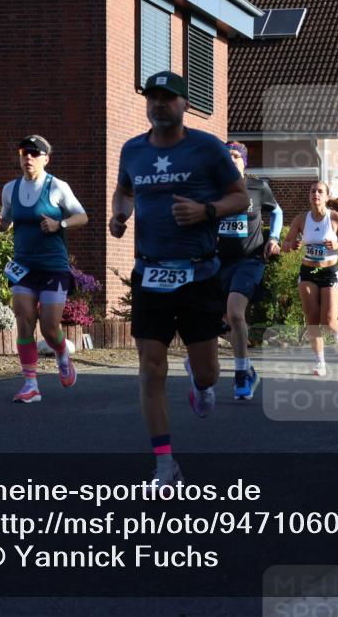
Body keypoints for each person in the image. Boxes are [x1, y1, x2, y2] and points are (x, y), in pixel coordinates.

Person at [111, 71, 249, 489]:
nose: (159, 104)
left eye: (168, 98)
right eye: (153, 97)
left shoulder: (206, 148)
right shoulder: (132, 149)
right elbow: (124, 191)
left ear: (185, 104)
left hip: (198, 273)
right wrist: (120, 215)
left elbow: (240, 196)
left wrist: (206, 211)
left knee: (208, 373)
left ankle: (200, 383)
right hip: (149, 272)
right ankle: (165, 466)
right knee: (150, 368)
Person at [0, 135, 89, 403]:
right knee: (24, 321)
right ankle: (30, 385)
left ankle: (62, 353)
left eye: (34, 153)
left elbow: (82, 216)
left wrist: (59, 225)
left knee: (49, 328)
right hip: (22, 267)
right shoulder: (10, 189)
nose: (28, 158)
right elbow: (7, 221)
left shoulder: (57, 187)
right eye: (24, 153)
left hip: (53, 267)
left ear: (46, 159)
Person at [216, 141, 282, 400]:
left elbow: (277, 212)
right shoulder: (212, 188)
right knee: (223, 320)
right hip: (220, 262)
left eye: (235, 155)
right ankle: (249, 370)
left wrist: (273, 238)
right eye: (226, 155)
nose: (231, 159)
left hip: (250, 260)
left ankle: (241, 374)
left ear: (244, 161)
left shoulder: (257, 186)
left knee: (235, 312)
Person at [281, 181, 338, 376]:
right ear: (309, 195)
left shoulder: (334, 218)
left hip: (329, 272)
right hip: (309, 272)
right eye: (313, 191)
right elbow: (286, 244)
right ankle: (320, 362)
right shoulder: (301, 219)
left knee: (329, 321)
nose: (316, 194)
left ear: (326, 196)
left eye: (320, 191)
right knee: (312, 321)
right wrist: (292, 245)